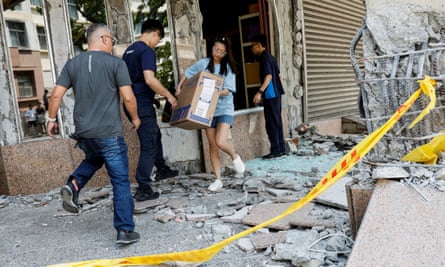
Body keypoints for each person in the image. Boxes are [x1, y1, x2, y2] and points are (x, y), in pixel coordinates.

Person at [46, 23, 141, 245]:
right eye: (113, 42)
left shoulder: (72, 64)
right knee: (120, 181)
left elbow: (56, 95)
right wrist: (135, 118)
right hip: (109, 132)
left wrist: (51, 119)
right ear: (105, 39)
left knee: (94, 157)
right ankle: (125, 230)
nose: (113, 46)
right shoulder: (116, 64)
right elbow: (128, 98)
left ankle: (74, 185)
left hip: (85, 133)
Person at [176, 36, 245, 192]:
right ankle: (218, 179)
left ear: (226, 53)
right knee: (212, 145)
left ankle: (235, 156)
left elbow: (227, 90)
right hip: (207, 111)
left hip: (224, 109)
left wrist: (210, 91)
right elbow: (187, 73)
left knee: (220, 141)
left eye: (222, 51)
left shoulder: (228, 69)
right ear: (212, 48)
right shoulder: (204, 63)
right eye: (216, 50)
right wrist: (179, 87)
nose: (218, 54)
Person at [122, 19, 179, 202]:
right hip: (140, 103)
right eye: (159, 39)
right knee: (149, 145)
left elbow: (133, 81)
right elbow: (149, 79)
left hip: (133, 101)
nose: (157, 43)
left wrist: (151, 97)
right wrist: (169, 96)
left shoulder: (128, 51)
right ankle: (143, 187)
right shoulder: (147, 50)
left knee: (155, 136)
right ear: (155, 33)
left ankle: (162, 169)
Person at [251, 34, 286, 159]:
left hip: (271, 95)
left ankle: (276, 150)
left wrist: (259, 92)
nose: (252, 48)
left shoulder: (265, 57)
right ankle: (281, 148)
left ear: (259, 45)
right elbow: (279, 75)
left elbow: (269, 76)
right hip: (276, 93)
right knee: (277, 121)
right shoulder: (271, 57)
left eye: (253, 45)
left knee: (271, 122)